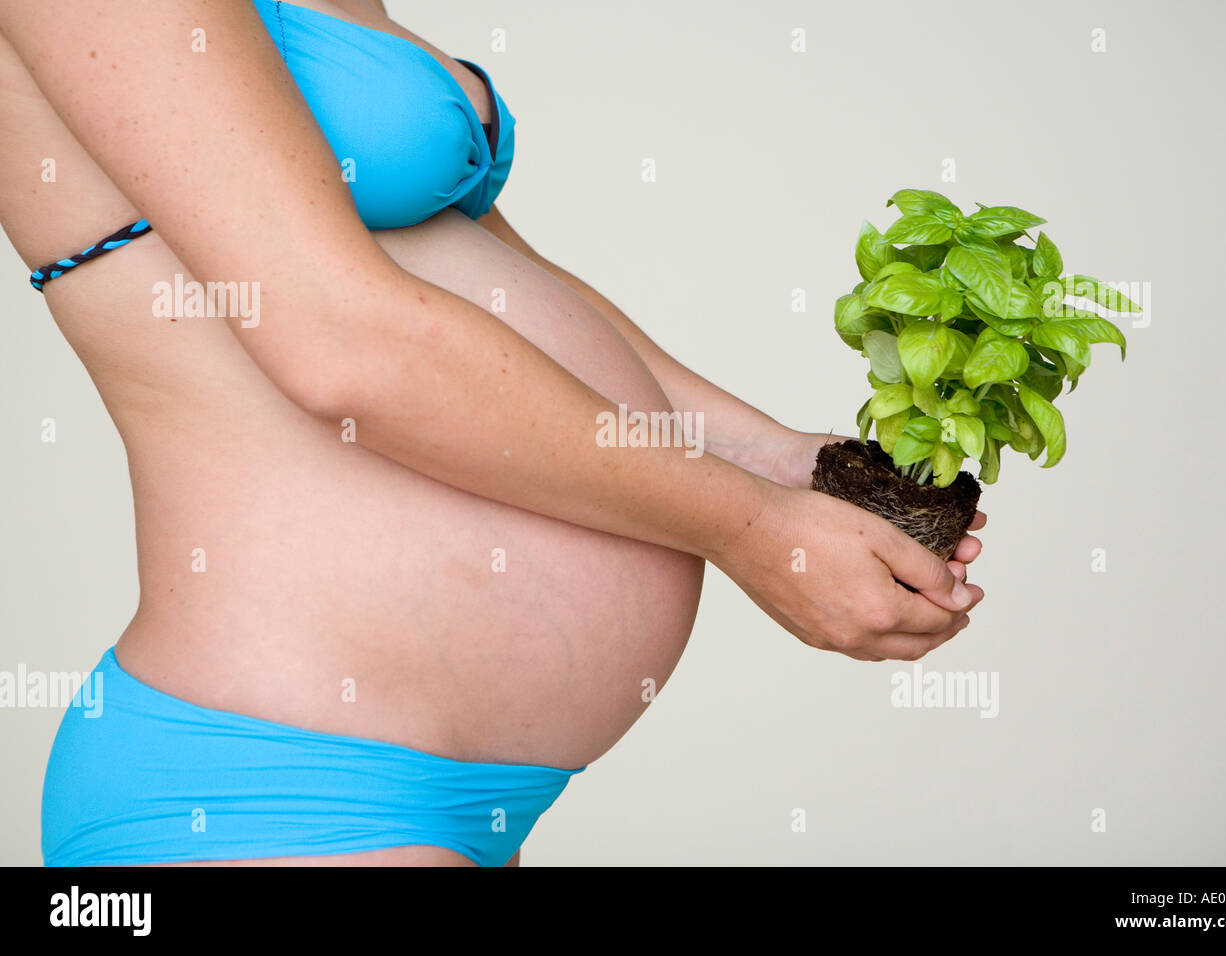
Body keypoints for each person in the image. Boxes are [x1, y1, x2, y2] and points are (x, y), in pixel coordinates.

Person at [0, 0, 984, 867]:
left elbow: (505, 294)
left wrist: (781, 458)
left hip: (449, 794)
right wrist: (750, 529)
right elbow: (342, 340)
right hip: (271, 788)